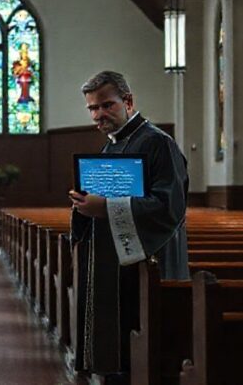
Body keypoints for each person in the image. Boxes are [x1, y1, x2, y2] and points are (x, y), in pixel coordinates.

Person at [68, 71, 189, 385]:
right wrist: (84, 204)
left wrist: (104, 207)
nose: (99, 115)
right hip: (118, 262)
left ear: (129, 101)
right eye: (93, 109)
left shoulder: (158, 143)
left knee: (144, 332)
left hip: (150, 260)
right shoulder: (113, 146)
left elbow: (169, 208)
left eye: (107, 105)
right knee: (121, 341)